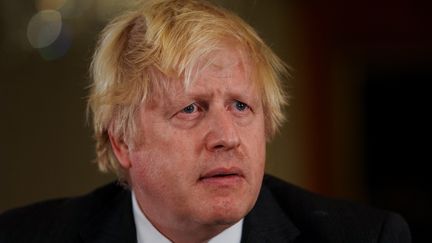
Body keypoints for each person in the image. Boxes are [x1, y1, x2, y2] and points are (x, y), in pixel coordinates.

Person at [0, 0, 411, 242]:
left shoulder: (365, 238)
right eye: (191, 109)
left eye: (240, 107)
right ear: (123, 142)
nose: (227, 138)